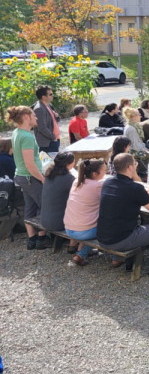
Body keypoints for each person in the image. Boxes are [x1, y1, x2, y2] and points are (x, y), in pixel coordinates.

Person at [97, 153, 149, 277]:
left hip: (102, 237)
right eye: (135, 163)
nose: (136, 165)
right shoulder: (135, 188)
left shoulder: (108, 182)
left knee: (141, 225)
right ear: (130, 167)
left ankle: (131, 262)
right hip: (120, 240)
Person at [6, 106, 51, 249]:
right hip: (30, 177)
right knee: (45, 206)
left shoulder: (17, 132)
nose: (36, 117)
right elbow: (29, 163)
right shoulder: (27, 137)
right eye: (33, 115)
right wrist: (42, 178)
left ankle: (32, 240)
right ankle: (42, 239)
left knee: (30, 208)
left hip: (22, 176)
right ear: (26, 117)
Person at [63, 159, 107, 266]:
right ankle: (81, 254)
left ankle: (79, 250)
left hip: (68, 228)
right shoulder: (98, 185)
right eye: (104, 171)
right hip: (84, 231)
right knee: (108, 228)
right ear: (95, 173)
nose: (106, 173)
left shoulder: (77, 181)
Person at [40, 152, 76, 252]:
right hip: (58, 223)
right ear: (69, 164)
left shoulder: (49, 174)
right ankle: (74, 245)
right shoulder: (69, 178)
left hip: (44, 219)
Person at [32, 85, 61, 153]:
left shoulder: (48, 105)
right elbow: (42, 128)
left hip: (54, 140)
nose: (52, 95)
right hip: (48, 143)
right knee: (49, 163)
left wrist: (56, 116)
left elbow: (58, 119)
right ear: (44, 97)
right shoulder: (39, 109)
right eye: (50, 94)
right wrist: (53, 137)